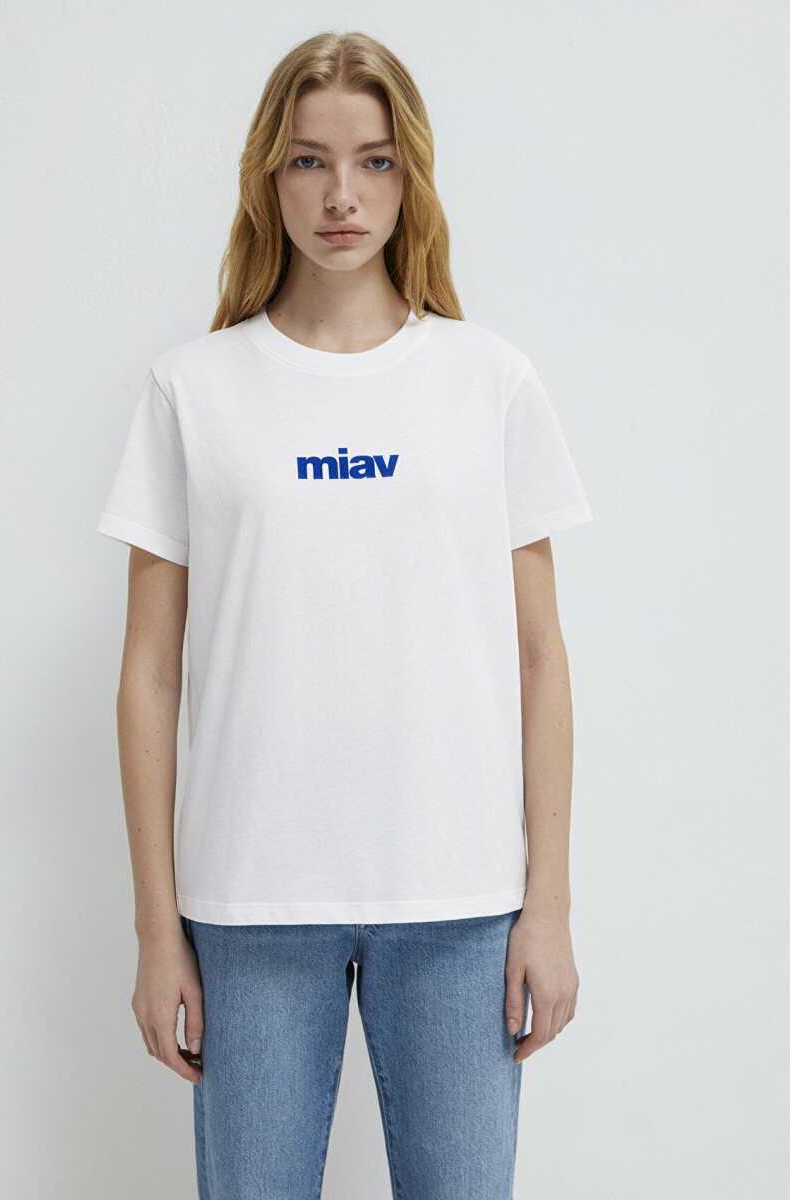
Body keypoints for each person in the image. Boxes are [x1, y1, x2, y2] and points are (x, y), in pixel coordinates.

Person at [96, 29, 593, 1200]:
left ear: (409, 176)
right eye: (309, 162)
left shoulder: (489, 381)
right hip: (249, 905)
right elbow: (149, 675)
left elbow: (539, 658)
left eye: (373, 162)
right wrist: (157, 930)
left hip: (461, 903)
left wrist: (549, 908)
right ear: (267, 177)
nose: (340, 197)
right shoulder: (192, 389)